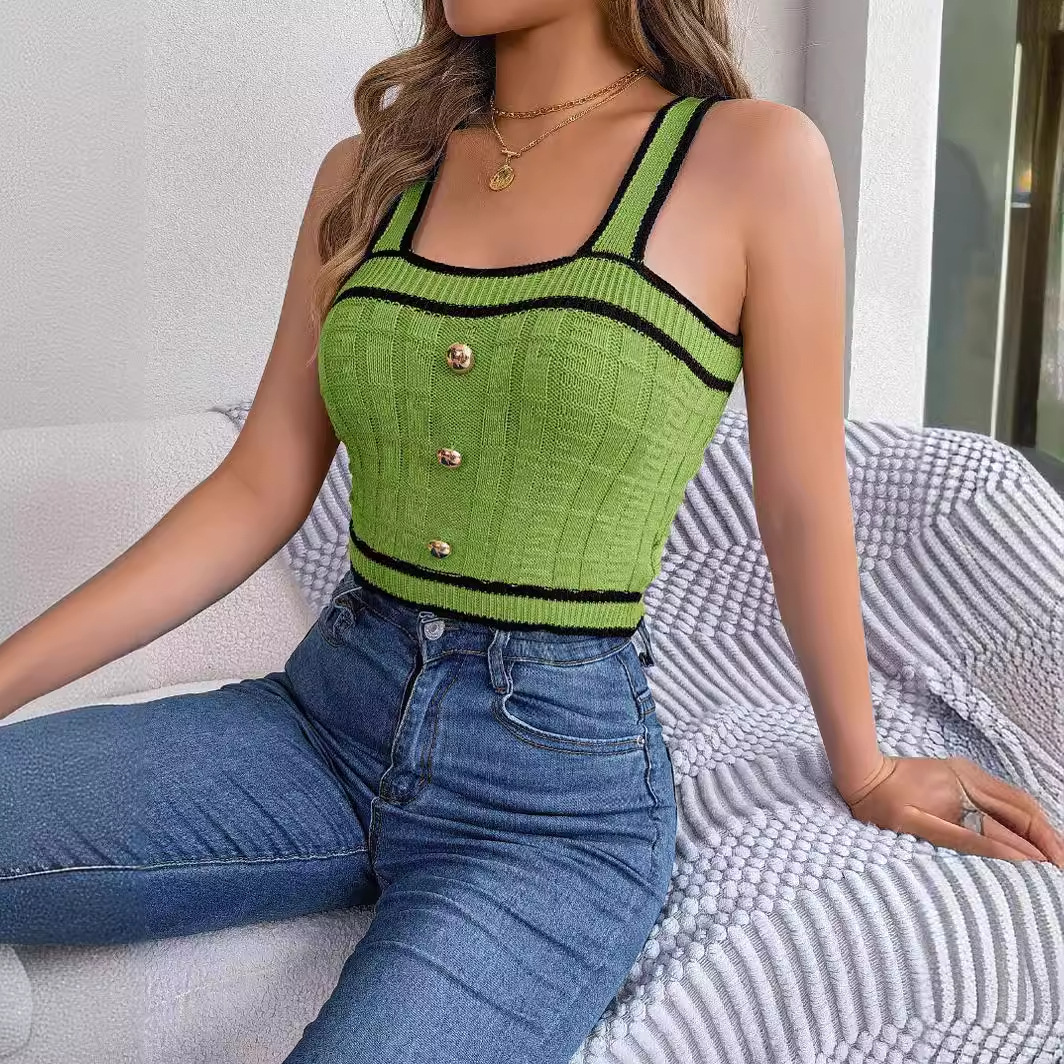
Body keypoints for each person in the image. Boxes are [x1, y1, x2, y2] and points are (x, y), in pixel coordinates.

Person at [2, 1, 1063, 1062]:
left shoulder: (750, 158)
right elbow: (257, 487)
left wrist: (863, 767)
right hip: (322, 718)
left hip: (551, 808)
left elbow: (799, 497)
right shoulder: (370, 170)